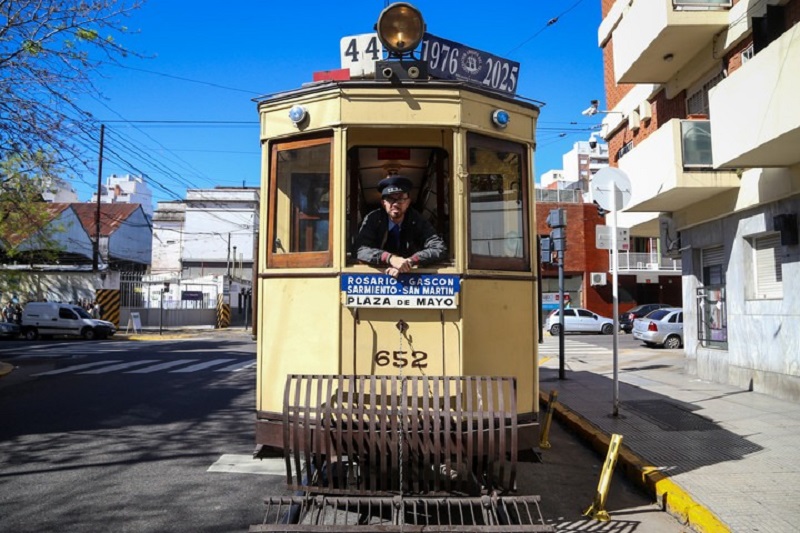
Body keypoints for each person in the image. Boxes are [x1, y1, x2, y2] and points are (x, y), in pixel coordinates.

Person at [355, 175, 447, 278]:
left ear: (408, 203)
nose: (395, 204)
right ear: (383, 203)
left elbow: (439, 248)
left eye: (401, 199)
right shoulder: (373, 219)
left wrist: (411, 261)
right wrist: (390, 259)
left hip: (411, 275)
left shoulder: (417, 219)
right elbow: (361, 250)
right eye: (390, 199)